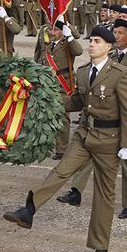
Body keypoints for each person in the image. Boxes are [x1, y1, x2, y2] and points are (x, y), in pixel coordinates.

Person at [3, 26, 127, 252]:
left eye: (97, 41)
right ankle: (29, 210)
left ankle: (100, 247)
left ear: (108, 47)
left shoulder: (120, 73)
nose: (92, 44)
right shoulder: (84, 72)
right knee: (61, 170)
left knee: (104, 195)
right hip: (85, 135)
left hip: (109, 139)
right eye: (91, 40)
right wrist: (47, 102)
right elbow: (77, 100)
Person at [57, 18, 127, 219]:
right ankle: (76, 191)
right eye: (114, 32)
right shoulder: (111, 55)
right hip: (105, 108)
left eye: (120, 33)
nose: (115, 36)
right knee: (91, 147)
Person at [33, 18, 83, 159]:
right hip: (45, 81)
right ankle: (44, 145)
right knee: (43, 113)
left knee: (62, 115)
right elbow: (37, 54)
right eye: (50, 29)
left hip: (63, 82)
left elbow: (78, 51)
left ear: (62, 31)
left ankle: (61, 149)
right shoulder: (46, 40)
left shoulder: (68, 42)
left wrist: (69, 34)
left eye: (55, 29)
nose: (51, 32)